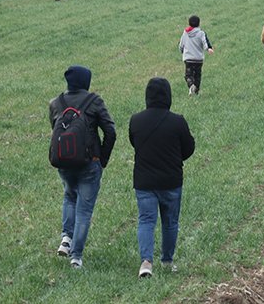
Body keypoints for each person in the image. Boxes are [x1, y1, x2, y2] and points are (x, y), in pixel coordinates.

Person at [50, 65, 116, 269]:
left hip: (64, 161)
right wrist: (102, 158)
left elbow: (55, 129)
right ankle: (76, 257)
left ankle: (66, 239)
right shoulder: (94, 101)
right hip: (90, 162)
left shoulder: (56, 103)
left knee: (69, 197)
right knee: (84, 211)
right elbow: (110, 131)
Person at [129, 77, 195, 278]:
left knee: (146, 220)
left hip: (144, 181)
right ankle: (167, 260)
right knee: (170, 222)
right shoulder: (178, 121)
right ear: (168, 96)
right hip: (171, 181)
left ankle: (146, 262)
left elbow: (134, 142)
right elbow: (189, 148)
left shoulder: (136, 120)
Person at [179, 15, 214, 95]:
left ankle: (191, 85)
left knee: (188, 75)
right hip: (198, 59)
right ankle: (196, 90)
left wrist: (181, 50)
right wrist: (208, 48)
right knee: (197, 75)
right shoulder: (201, 33)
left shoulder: (185, 33)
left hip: (188, 58)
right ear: (199, 24)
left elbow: (181, 44)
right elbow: (205, 42)